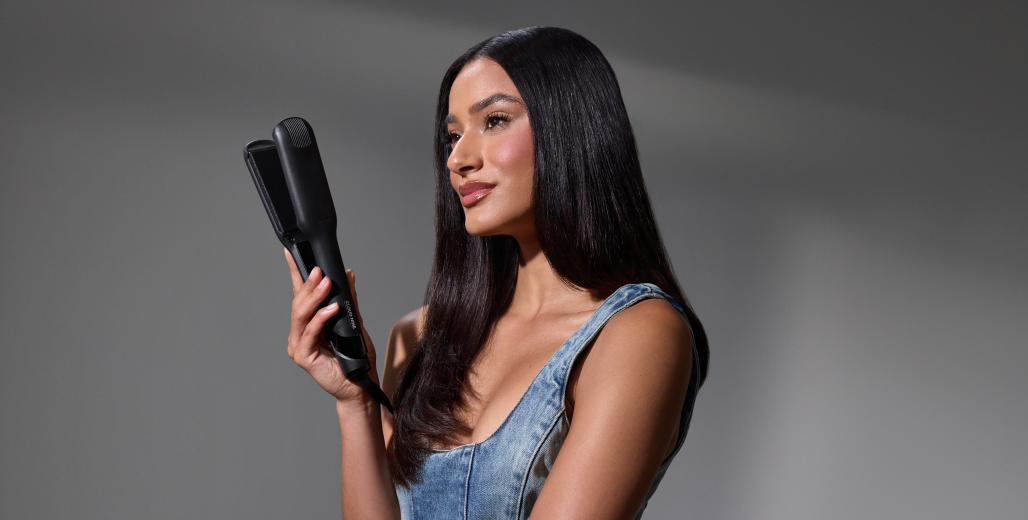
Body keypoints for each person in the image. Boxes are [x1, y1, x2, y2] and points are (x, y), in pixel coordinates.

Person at [284, 27, 709, 519]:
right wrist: (355, 401)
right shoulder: (421, 338)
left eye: (495, 120)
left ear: (569, 130)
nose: (458, 159)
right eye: (453, 135)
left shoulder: (637, 333)